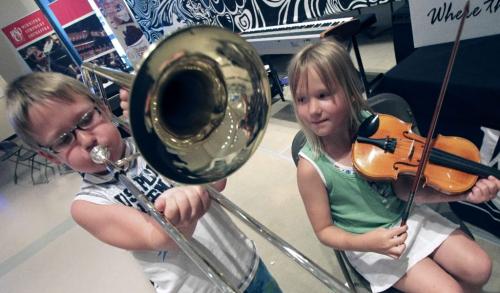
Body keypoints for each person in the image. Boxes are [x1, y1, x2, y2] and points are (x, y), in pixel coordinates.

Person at [5, 72, 281, 293]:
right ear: (49, 156)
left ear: (102, 107)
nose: (86, 139)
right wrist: (182, 196)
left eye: (86, 119)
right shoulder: (88, 206)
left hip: (247, 264)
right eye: (64, 139)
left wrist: (170, 117)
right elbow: (162, 238)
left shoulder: (153, 139)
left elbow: (218, 179)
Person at [287, 40, 500, 293]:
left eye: (323, 95)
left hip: (406, 218)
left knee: (480, 268)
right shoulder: (310, 168)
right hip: (371, 243)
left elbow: (404, 190)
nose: (313, 110)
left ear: (351, 91)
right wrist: (367, 241)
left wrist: (464, 192)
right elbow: (324, 231)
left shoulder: (377, 127)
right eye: (302, 99)